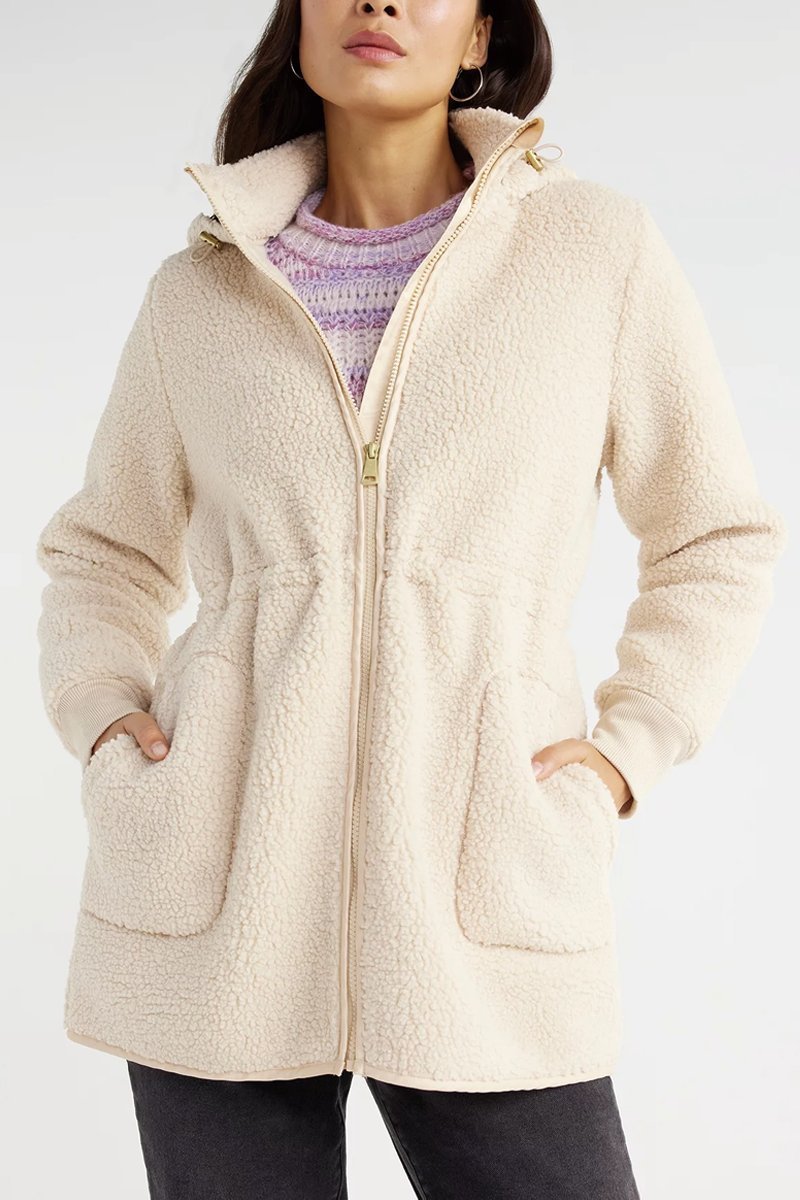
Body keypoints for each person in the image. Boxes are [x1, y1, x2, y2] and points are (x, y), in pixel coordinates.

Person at [35, 1, 787, 1197]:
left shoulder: (592, 252)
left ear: (479, 36)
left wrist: (622, 752)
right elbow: (104, 552)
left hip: (482, 895)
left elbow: (713, 536)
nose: (378, 1)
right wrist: (103, 720)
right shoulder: (198, 293)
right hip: (214, 898)